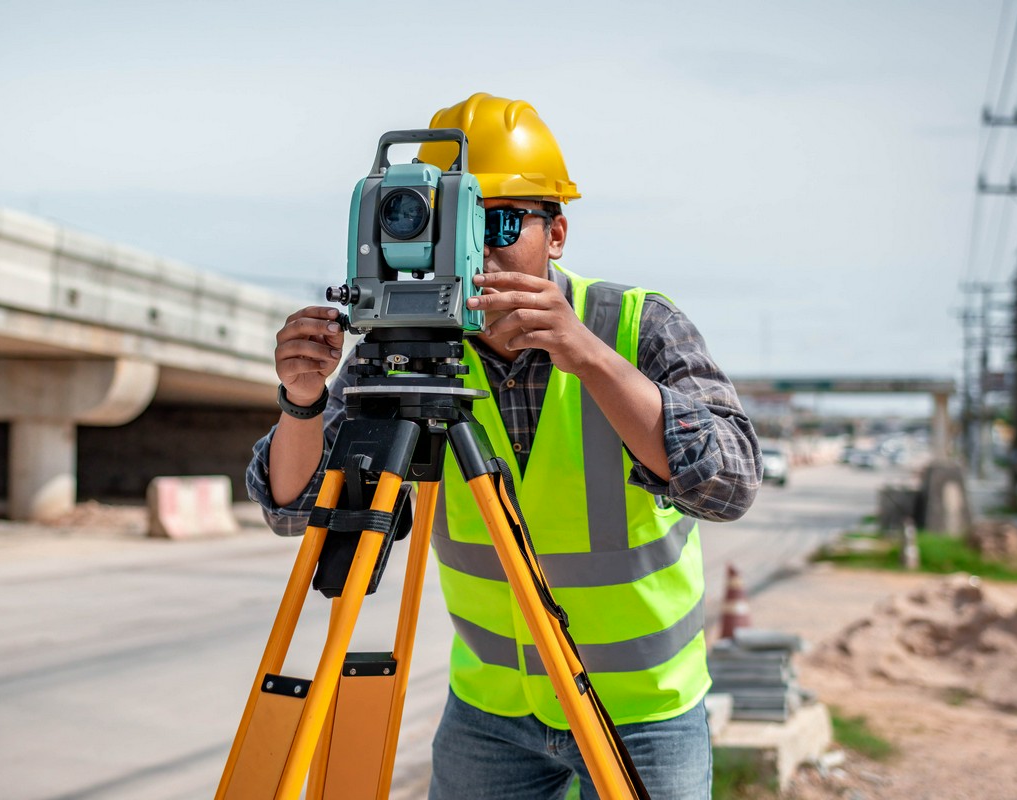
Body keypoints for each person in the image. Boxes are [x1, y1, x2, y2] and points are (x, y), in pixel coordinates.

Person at [245, 92, 761, 800]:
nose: (475, 246)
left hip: (641, 707)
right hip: (490, 711)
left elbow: (731, 484)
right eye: (446, 221)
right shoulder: (400, 353)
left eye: (499, 220)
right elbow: (293, 510)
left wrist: (590, 358)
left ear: (557, 234)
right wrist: (302, 400)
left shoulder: (636, 327)